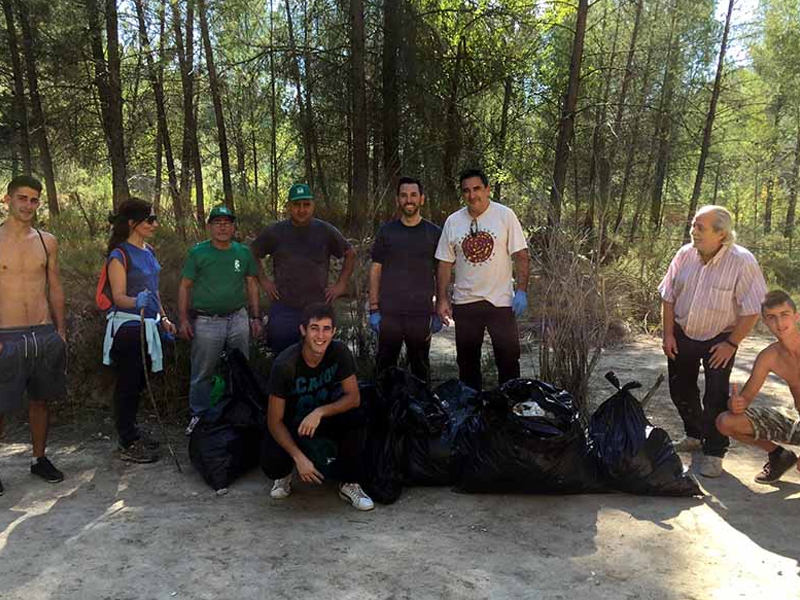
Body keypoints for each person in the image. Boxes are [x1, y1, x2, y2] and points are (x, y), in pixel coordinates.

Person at [659, 205, 767, 478]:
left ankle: (714, 452)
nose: (693, 231)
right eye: (693, 225)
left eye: (700, 227)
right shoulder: (684, 254)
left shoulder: (742, 261)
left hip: (721, 339)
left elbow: (753, 308)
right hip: (682, 333)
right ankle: (695, 435)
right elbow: (668, 296)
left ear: (722, 234)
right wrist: (668, 334)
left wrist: (731, 343)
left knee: (716, 396)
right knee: (680, 389)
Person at [261, 302, 374, 511]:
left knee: (357, 416)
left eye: (326, 329)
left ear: (334, 331)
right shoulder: (285, 364)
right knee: (273, 462)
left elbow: (353, 397)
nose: (320, 336)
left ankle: (349, 482)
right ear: (303, 330)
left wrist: (320, 411)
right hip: (292, 423)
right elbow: (274, 421)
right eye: (314, 328)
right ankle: (286, 473)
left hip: (320, 420)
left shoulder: (339, 352)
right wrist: (298, 457)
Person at [0, 175, 67, 494]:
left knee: (40, 400)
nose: (28, 205)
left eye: (34, 200)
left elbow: (55, 286)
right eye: (22, 198)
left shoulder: (46, 240)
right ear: (7, 199)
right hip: (6, 334)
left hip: (43, 331)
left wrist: (60, 330)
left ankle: (39, 459)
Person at [435, 168, 529, 391]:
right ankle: (471, 408)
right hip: (466, 303)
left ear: (487, 190)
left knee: (509, 363)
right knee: (467, 367)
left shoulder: (505, 216)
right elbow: (444, 263)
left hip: (501, 302)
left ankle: (509, 406)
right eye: (466, 191)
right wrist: (442, 298)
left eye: (477, 189)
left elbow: (521, 255)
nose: (472, 195)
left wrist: (522, 291)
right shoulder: (453, 221)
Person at [102, 198, 177, 463]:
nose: (155, 224)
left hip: (149, 325)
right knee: (128, 384)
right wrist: (137, 302)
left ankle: (131, 432)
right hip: (128, 328)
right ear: (133, 223)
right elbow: (119, 297)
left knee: (140, 383)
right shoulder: (119, 255)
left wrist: (163, 318)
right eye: (150, 219)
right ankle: (127, 441)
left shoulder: (149, 251)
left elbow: (154, 291)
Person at [178, 205, 261, 435]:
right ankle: (199, 416)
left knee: (241, 368)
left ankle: (242, 413)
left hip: (238, 318)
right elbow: (185, 286)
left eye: (227, 223)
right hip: (207, 321)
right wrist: (183, 319)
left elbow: (252, 284)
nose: (222, 227)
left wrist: (255, 317)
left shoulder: (243, 252)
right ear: (210, 227)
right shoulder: (198, 253)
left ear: (233, 227)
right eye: (217, 223)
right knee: (203, 372)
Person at [251, 183, 356, 353]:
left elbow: (350, 253)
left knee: (318, 355)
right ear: (289, 206)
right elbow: (252, 253)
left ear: (313, 205)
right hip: (283, 305)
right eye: (297, 205)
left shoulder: (325, 230)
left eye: (306, 204)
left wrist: (341, 284)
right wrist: (264, 280)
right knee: (282, 356)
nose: (302, 209)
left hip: (317, 306)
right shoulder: (275, 231)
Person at [716, 290, 800, 484]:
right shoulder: (768, 356)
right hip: (796, 420)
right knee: (725, 421)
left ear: (796, 316)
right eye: (772, 317)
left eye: (784, 315)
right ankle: (779, 456)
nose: (779, 323)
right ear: (765, 322)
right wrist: (736, 404)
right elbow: (745, 398)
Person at [369, 176, 442, 383]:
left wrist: (440, 307)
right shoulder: (387, 232)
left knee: (420, 370)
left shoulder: (434, 233)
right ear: (397, 200)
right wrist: (374, 309)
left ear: (422, 199)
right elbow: (375, 270)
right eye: (403, 195)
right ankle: (384, 403)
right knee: (385, 370)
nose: (408, 200)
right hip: (389, 314)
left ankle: (422, 403)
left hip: (420, 313)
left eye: (413, 195)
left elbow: (442, 272)